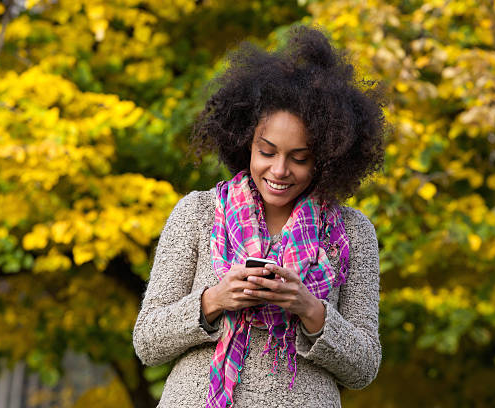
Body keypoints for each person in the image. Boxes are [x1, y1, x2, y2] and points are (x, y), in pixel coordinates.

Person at [133, 25, 386, 408]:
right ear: (245, 143)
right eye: (267, 152)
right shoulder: (198, 213)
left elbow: (364, 367)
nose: (280, 170)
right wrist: (215, 299)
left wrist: (309, 307)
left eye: (299, 158)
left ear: (327, 159)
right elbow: (148, 343)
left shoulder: (352, 232)